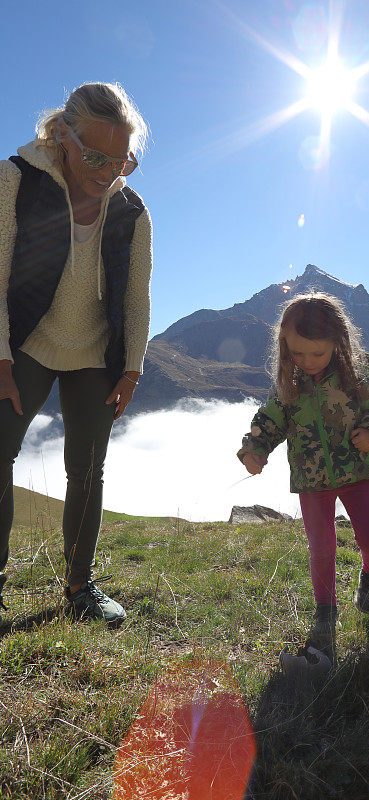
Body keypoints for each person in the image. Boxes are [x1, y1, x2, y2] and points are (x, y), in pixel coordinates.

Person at [0, 82, 153, 625]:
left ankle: (80, 588)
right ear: (62, 134)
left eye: (122, 161)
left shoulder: (132, 213)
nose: (107, 172)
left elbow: (136, 296)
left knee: (87, 473)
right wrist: (0, 359)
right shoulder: (16, 181)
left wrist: (132, 367)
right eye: (94, 156)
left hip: (94, 353)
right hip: (26, 345)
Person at [237, 292, 369, 651]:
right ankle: (325, 611)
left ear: (338, 343)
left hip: (358, 473)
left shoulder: (358, 377)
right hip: (312, 480)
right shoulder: (288, 385)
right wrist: (254, 450)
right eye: (297, 353)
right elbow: (267, 422)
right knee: (322, 548)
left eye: (317, 353)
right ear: (284, 347)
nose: (307, 362)